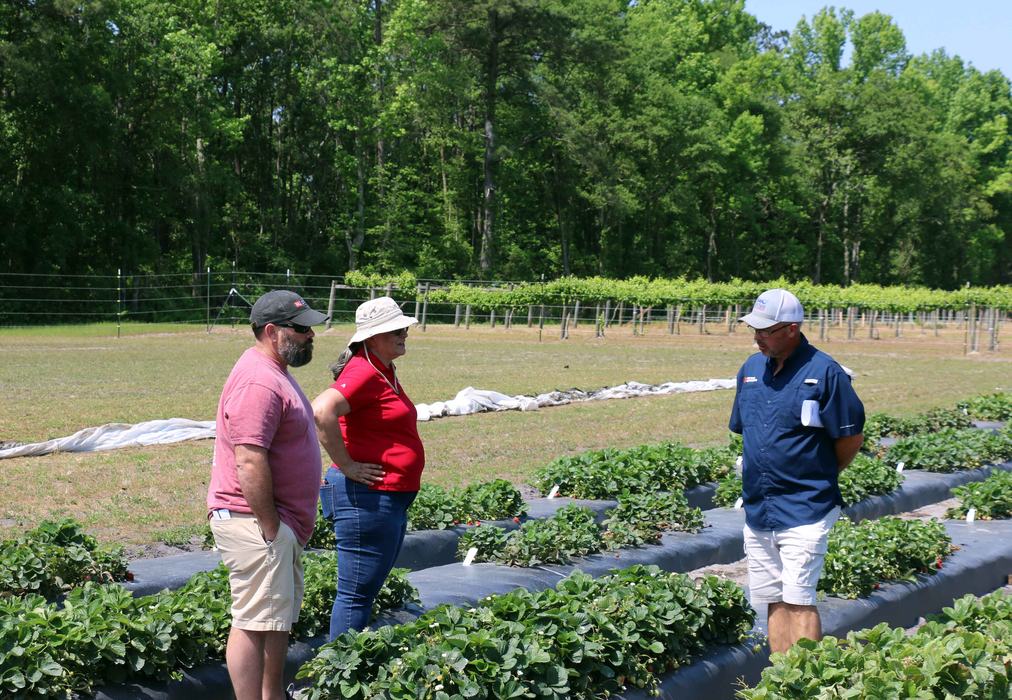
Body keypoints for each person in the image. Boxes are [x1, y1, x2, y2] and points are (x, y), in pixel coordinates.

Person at [207, 289, 328, 700]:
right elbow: (249, 460)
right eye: (302, 328)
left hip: (273, 525)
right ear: (273, 331)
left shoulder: (274, 371)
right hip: (255, 522)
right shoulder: (259, 381)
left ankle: (271, 694)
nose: (311, 335)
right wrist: (271, 528)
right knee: (252, 621)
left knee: (274, 618)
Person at [728, 288, 864, 654]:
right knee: (773, 598)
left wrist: (820, 475)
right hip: (759, 508)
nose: (757, 337)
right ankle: (781, 678)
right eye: (754, 329)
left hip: (806, 508)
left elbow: (850, 437)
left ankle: (806, 680)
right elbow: (744, 429)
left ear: (791, 328)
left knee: (799, 598)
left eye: (765, 330)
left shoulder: (826, 373)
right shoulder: (750, 371)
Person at [312, 296, 425, 639]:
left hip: (384, 498)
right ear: (373, 337)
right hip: (365, 498)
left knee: (364, 591)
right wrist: (347, 464)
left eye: (404, 328)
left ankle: (348, 660)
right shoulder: (362, 371)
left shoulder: (381, 369)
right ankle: (340, 666)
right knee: (356, 596)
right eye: (396, 330)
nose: (404, 334)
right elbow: (321, 411)